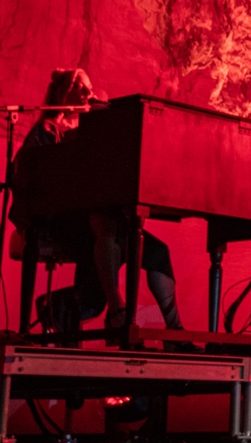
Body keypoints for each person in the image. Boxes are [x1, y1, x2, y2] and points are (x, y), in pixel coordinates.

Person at [12, 68, 182, 334]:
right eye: (80, 86)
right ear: (61, 92)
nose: (88, 93)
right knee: (103, 225)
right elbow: (32, 181)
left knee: (157, 252)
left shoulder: (92, 131)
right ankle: (117, 310)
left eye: (89, 87)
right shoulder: (47, 129)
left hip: (100, 223)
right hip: (65, 221)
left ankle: (174, 333)